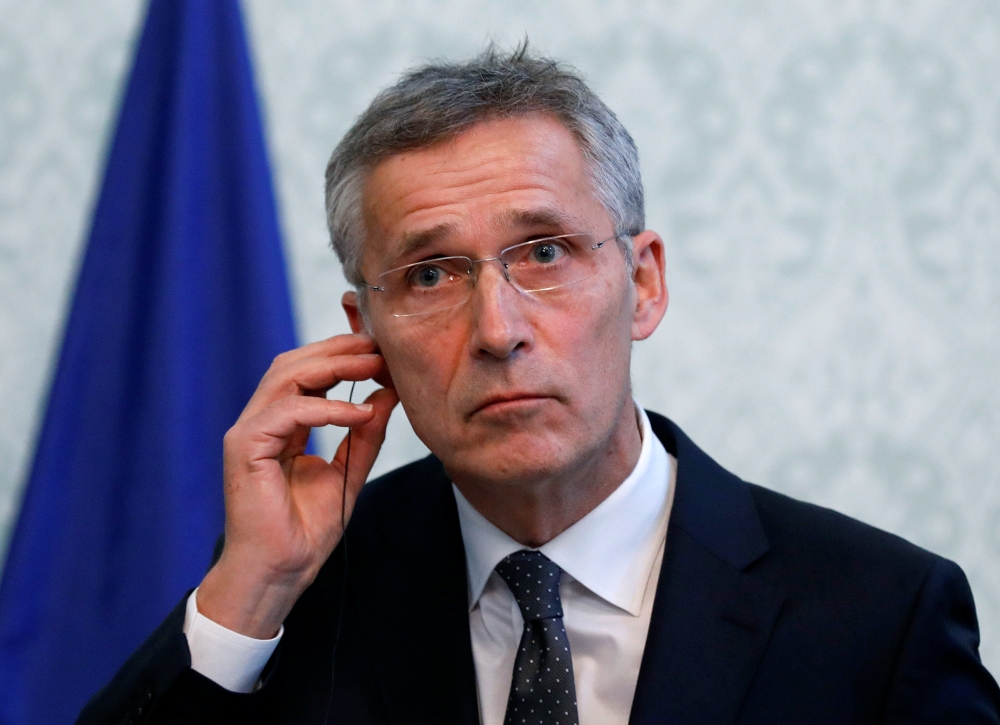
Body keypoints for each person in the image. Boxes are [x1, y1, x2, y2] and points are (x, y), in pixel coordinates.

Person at [79, 45, 1000, 725]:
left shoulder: (878, 617)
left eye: (545, 252)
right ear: (367, 339)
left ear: (643, 284)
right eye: (432, 274)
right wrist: (250, 589)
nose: (497, 330)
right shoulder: (305, 594)